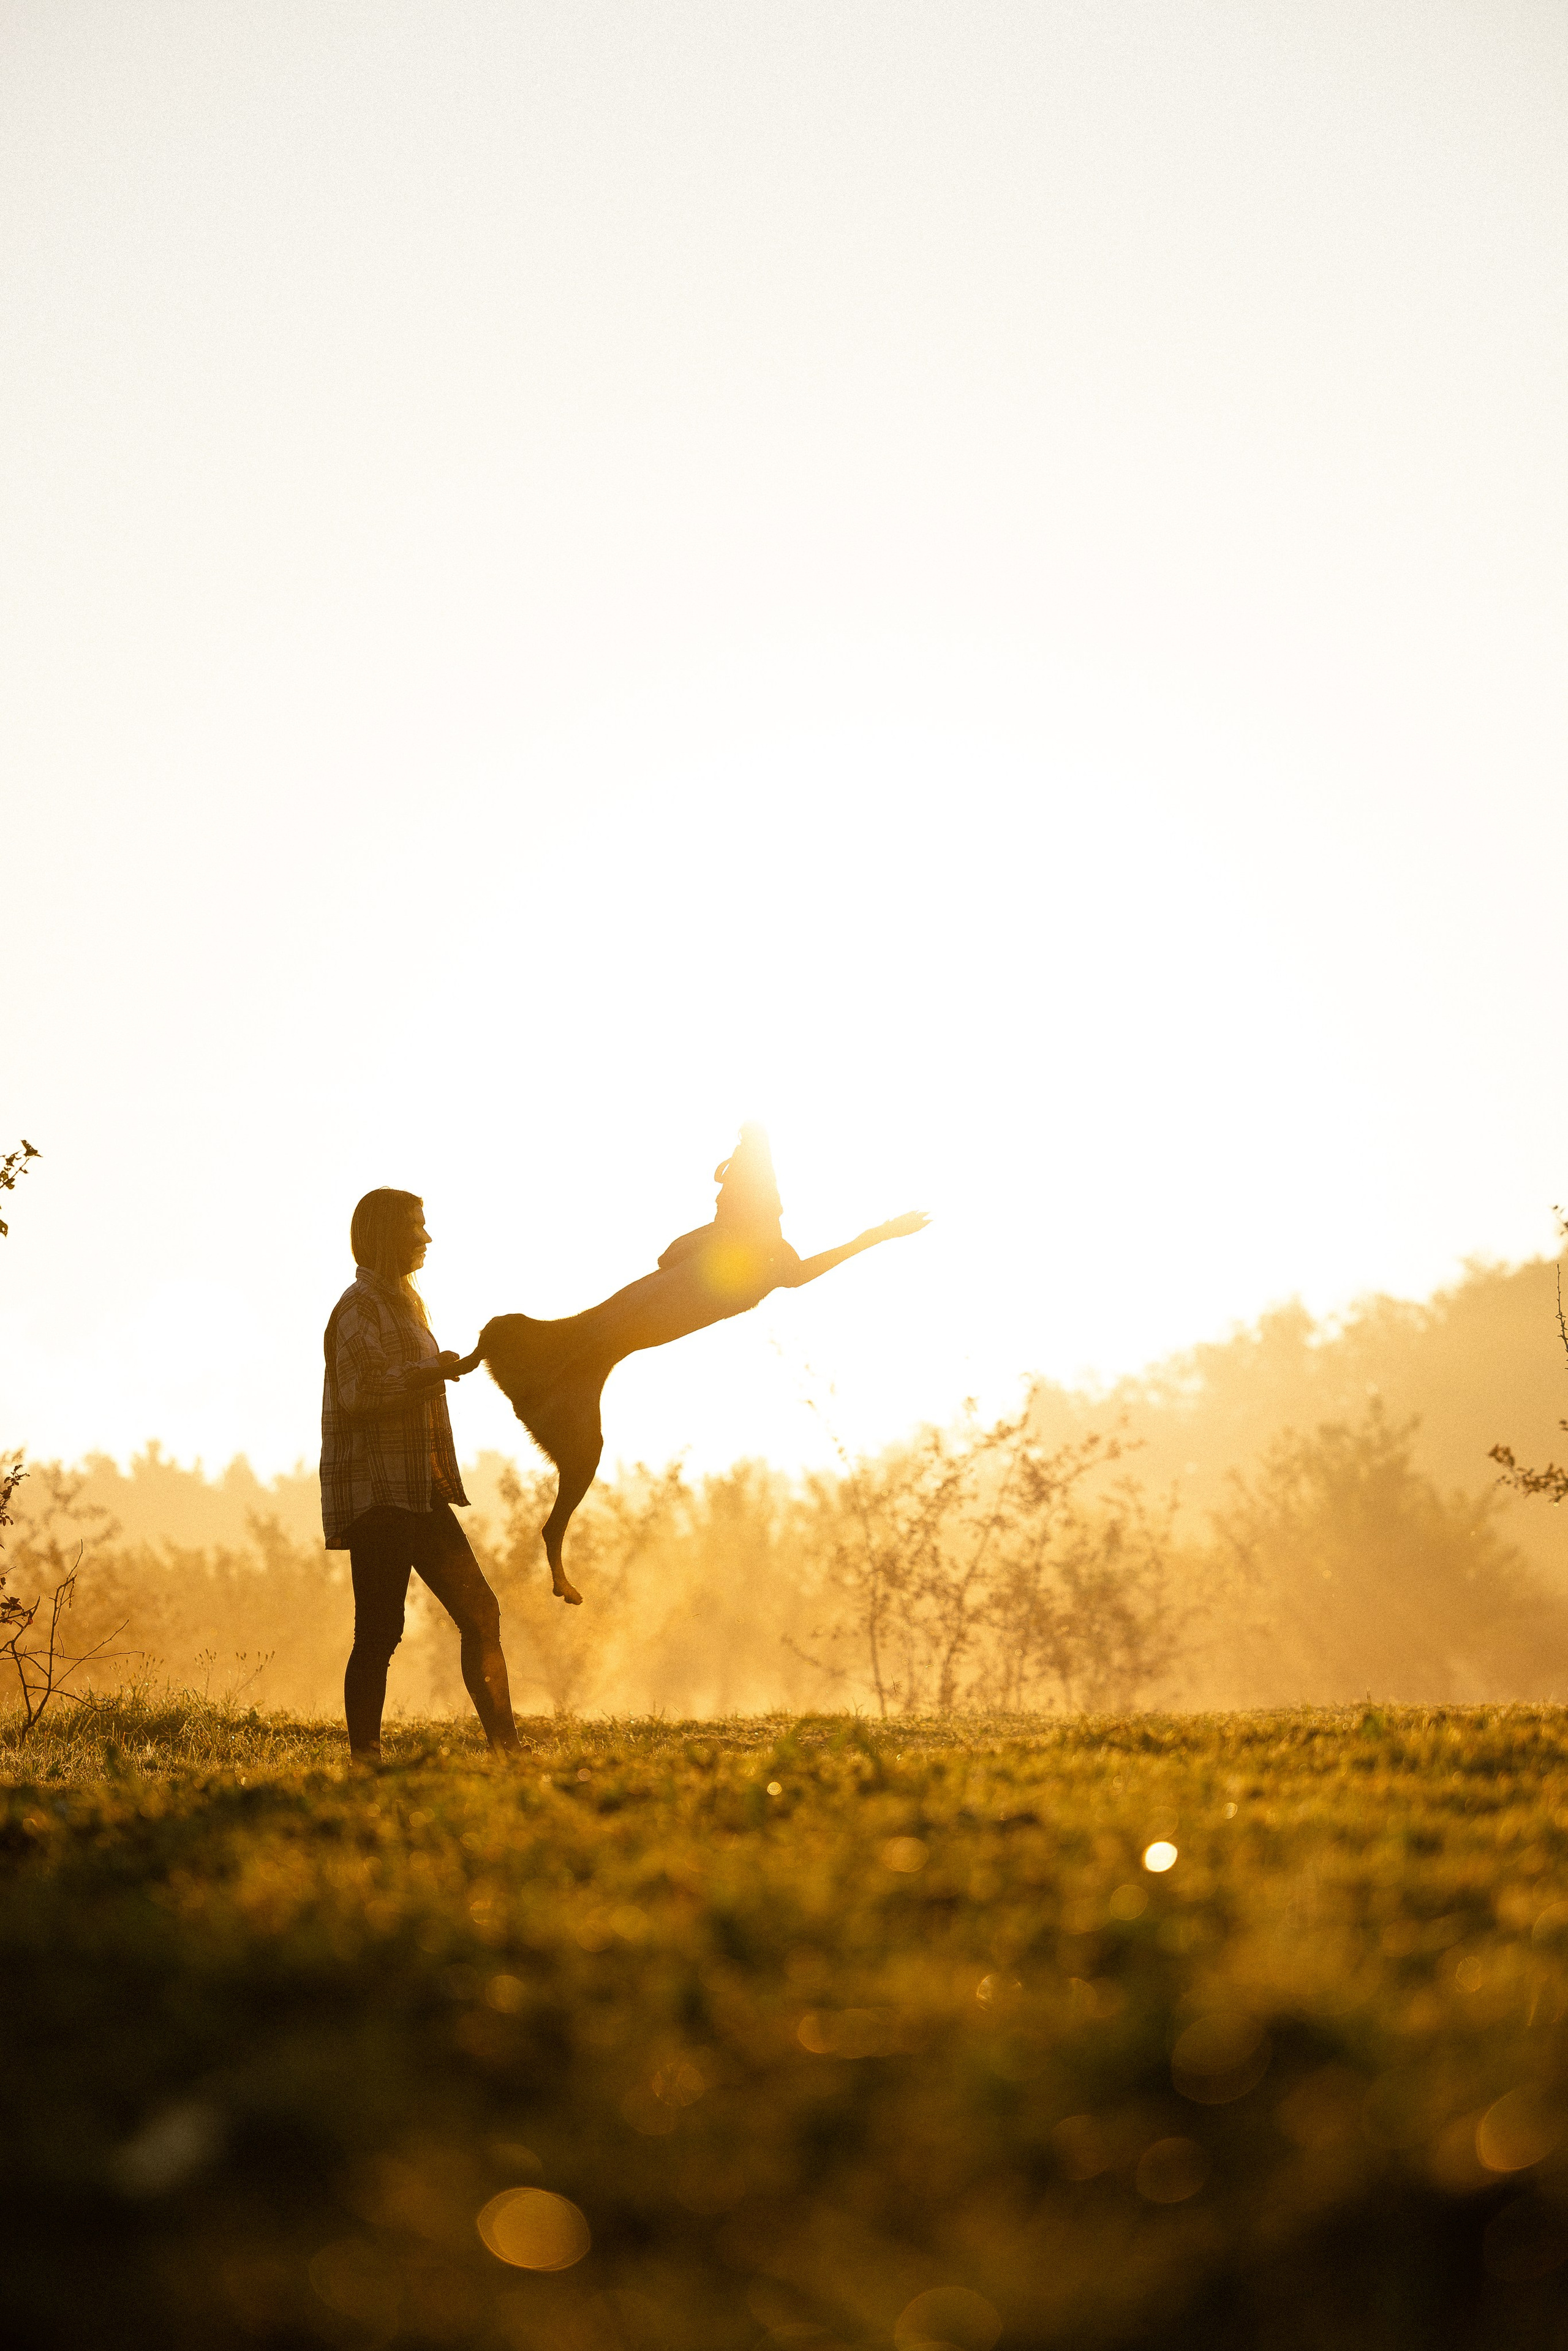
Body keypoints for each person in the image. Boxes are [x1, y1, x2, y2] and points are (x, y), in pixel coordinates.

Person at [460, 1126, 928, 1606]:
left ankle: (554, 1544)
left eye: (734, 1198)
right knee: (523, 1348)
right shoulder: (739, 1247)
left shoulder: (771, 1257)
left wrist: (876, 1235)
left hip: (597, 1347)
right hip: (591, 1336)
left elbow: (786, 1266)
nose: (725, 1204)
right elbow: (673, 1255)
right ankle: (482, 1368)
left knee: (580, 1449)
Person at [320, 1188, 521, 1764]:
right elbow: (360, 1393)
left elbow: (396, 1378)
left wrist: (436, 1368)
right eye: (415, 1227)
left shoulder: (407, 1304)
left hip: (419, 1491)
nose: (426, 1239)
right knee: (379, 1635)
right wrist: (429, 1371)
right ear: (385, 1235)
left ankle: (507, 1748)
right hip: (380, 1495)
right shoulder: (359, 1308)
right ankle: (366, 1759)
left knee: (479, 1611)